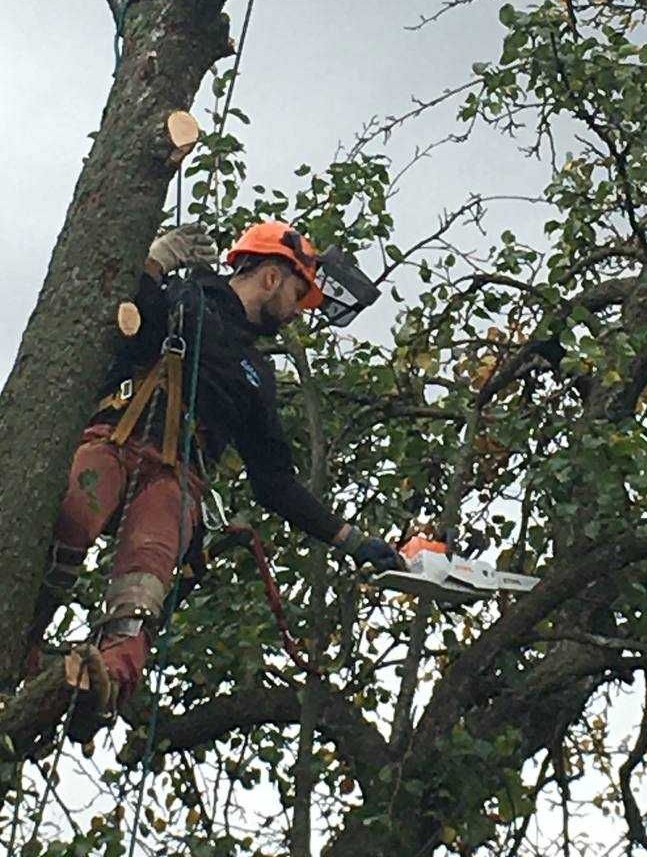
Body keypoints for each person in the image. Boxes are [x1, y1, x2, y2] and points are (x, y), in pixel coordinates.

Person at [27, 219, 404, 729]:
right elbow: (118, 309)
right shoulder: (184, 299)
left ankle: (104, 683)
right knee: (71, 516)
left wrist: (350, 539)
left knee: (145, 583)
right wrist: (155, 260)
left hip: (175, 478)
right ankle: (24, 629)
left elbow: (276, 482)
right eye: (297, 293)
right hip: (115, 440)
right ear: (270, 278)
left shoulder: (256, 374)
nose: (297, 312)